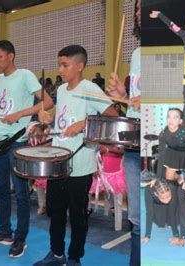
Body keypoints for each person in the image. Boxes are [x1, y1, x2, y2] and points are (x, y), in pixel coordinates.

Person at [35, 45, 118, 266]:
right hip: (58, 162)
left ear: (79, 66)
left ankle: (74, 257)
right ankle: (57, 253)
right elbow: (62, 118)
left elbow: (112, 117)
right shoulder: (61, 90)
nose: (60, 69)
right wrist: (46, 119)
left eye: (65, 65)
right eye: (59, 64)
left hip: (80, 164)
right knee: (56, 212)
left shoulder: (90, 89)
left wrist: (85, 123)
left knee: (78, 215)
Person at [0, 40, 53, 258]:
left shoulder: (25, 75)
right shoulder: (0, 79)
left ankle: (21, 237)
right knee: (1, 189)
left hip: (17, 140)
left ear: (11, 56)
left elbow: (46, 102)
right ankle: (5, 232)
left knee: (21, 193)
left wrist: (20, 114)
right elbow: (3, 104)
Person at [106, 1, 141, 264]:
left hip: (165, 144)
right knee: (137, 219)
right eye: (137, 7)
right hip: (134, 143)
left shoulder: (178, 49)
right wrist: (122, 95)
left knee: (164, 219)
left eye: (145, 6)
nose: (139, 12)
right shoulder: (138, 53)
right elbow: (134, 100)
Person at [142, 179, 180, 244]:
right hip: (158, 205)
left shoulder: (173, 188)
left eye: (168, 196)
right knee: (160, 224)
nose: (167, 200)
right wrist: (147, 235)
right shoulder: (148, 189)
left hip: (175, 207)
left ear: (170, 190)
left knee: (176, 220)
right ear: (156, 194)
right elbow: (149, 212)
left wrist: (176, 235)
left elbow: (172, 212)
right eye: (163, 198)